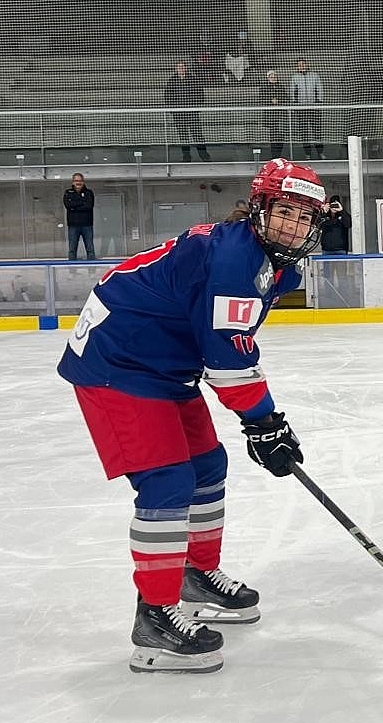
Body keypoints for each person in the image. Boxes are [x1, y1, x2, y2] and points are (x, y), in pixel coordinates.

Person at [57, 158, 328, 674]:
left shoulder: (272, 262)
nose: (293, 226)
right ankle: (155, 616)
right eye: (284, 212)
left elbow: (228, 345)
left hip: (166, 361)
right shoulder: (234, 260)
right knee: (167, 481)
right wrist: (265, 421)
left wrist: (262, 419)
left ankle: (195, 576)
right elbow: (227, 356)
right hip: (119, 361)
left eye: (303, 216)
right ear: (259, 210)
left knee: (207, 466)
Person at [164, 61, 211, 162]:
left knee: (197, 134)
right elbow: (167, 97)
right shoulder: (172, 81)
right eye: (178, 67)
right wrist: (173, 111)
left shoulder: (193, 79)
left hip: (192, 113)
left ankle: (204, 155)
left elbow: (200, 94)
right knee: (183, 135)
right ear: (176, 69)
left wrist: (196, 109)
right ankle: (186, 156)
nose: (180, 69)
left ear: (186, 68)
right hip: (179, 114)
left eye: (182, 67)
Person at [289, 58, 325, 160]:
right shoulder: (294, 77)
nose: (302, 66)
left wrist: (319, 101)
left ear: (307, 65)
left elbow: (319, 88)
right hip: (301, 108)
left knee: (317, 130)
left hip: (314, 107)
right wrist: (295, 103)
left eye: (303, 64)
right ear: (297, 67)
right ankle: (307, 154)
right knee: (304, 131)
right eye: (299, 65)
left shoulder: (314, 75)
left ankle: (320, 152)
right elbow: (292, 91)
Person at [63, 172, 96, 260]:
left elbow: (89, 206)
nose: (78, 182)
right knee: (72, 249)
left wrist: (74, 205)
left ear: (83, 181)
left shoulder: (89, 193)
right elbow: (68, 205)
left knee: (90, 249)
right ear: (73, 182)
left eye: (80, 180)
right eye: (76, 180)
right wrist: (82, 201)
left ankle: (92, 271)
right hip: (73, 226)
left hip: (87, 225)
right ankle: (72, 272)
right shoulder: (68, 193)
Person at [259, 69, 288, 158]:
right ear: (268, 78)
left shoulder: (281, 87)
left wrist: (279, 101)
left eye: (274, 76)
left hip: (281, 115)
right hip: (271, 116)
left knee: (281, 135)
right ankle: (274, 156)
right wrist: (271, 101)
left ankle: (279, 154)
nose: (273, 78)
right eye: (271, 77)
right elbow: (261, 99)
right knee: (273, 135)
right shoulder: (264, 87)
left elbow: (285, 98)